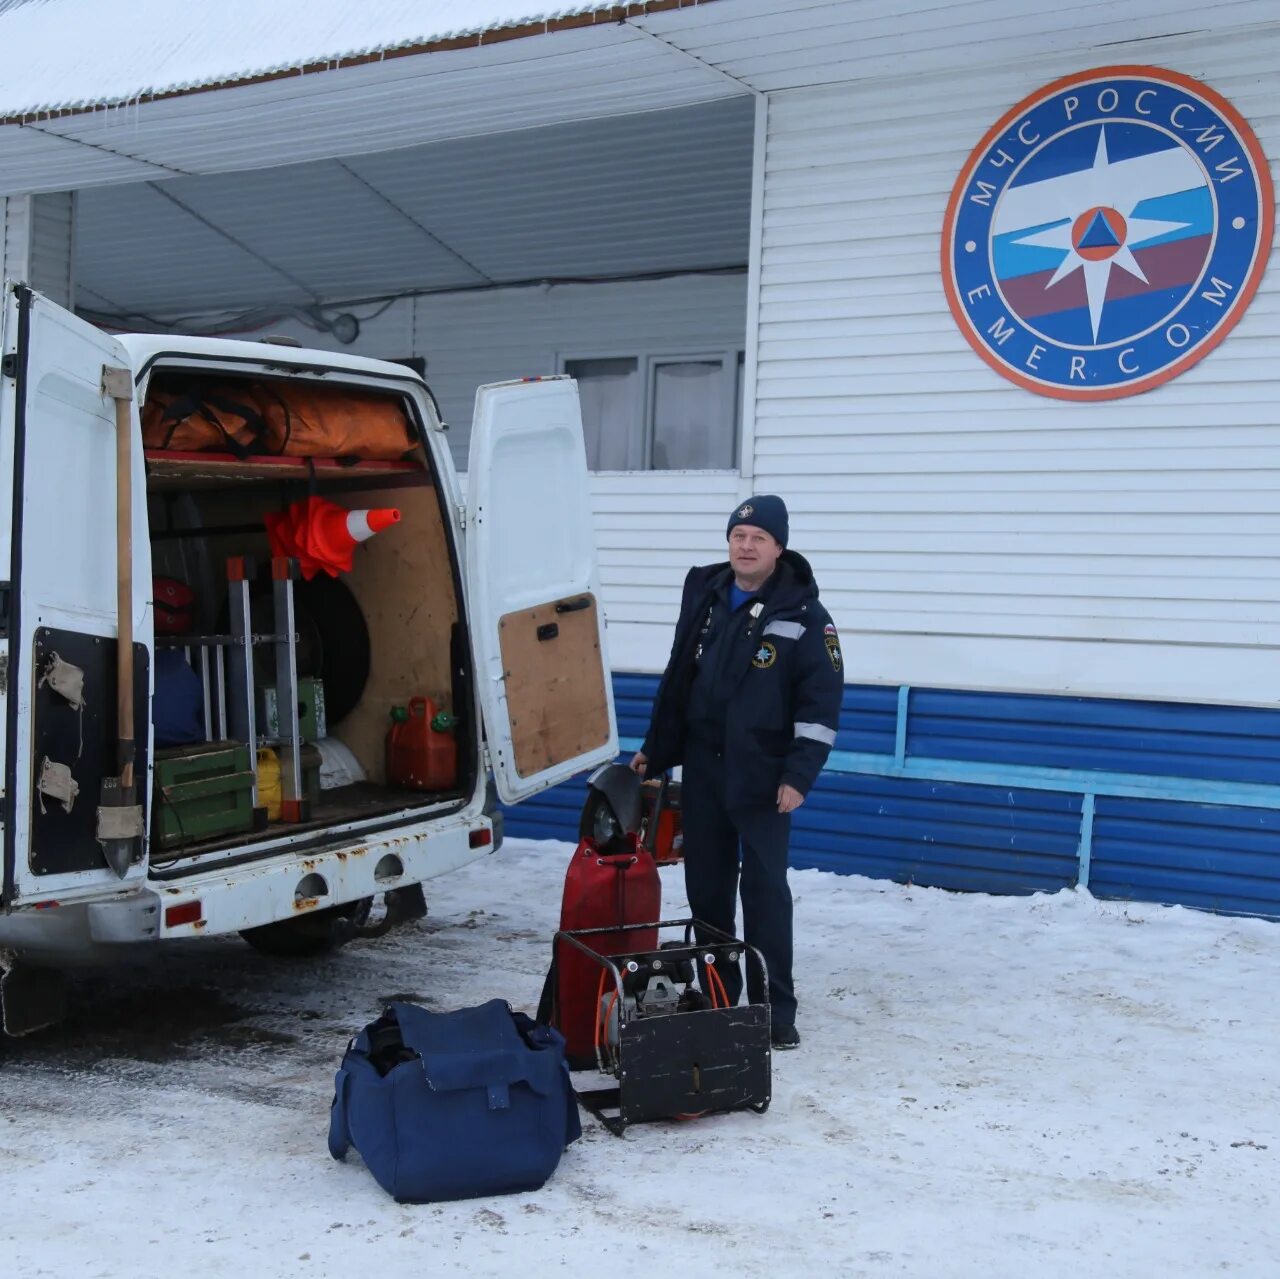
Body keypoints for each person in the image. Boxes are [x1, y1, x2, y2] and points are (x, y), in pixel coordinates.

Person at [630, 495, 843, 1049]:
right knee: (708, 890)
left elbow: (820, 708)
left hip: (765, 778)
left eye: (759, 539)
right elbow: (679, 678)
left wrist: (798, 777)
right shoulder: (705, 595)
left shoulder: (805, 616)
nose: (746, 547)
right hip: (703, 768)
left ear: (779, 547)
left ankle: (774, 1012)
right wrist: (655, 749)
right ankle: (722, 1000)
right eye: (738, 536)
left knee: (765, 892)